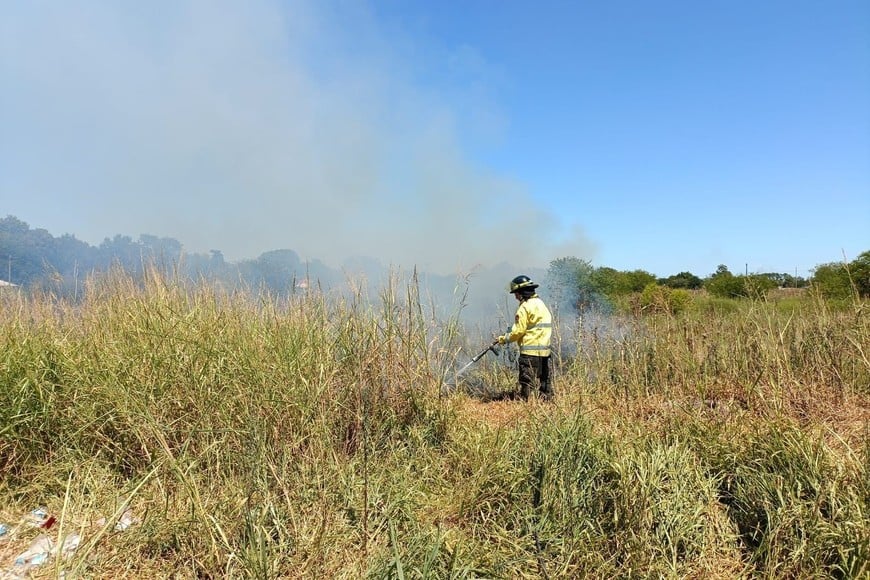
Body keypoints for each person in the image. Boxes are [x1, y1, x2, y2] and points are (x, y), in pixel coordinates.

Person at [495, 275, 554, 400]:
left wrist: (503, 339)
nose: (516, 297)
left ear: (522, 292)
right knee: (545, 380)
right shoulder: (541, 304)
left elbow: (518, 332)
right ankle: (546, 402)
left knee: (527, 380)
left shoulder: (524, 307)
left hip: (529, 352)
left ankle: (527, 404)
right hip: (544, 351)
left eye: (516, 293)